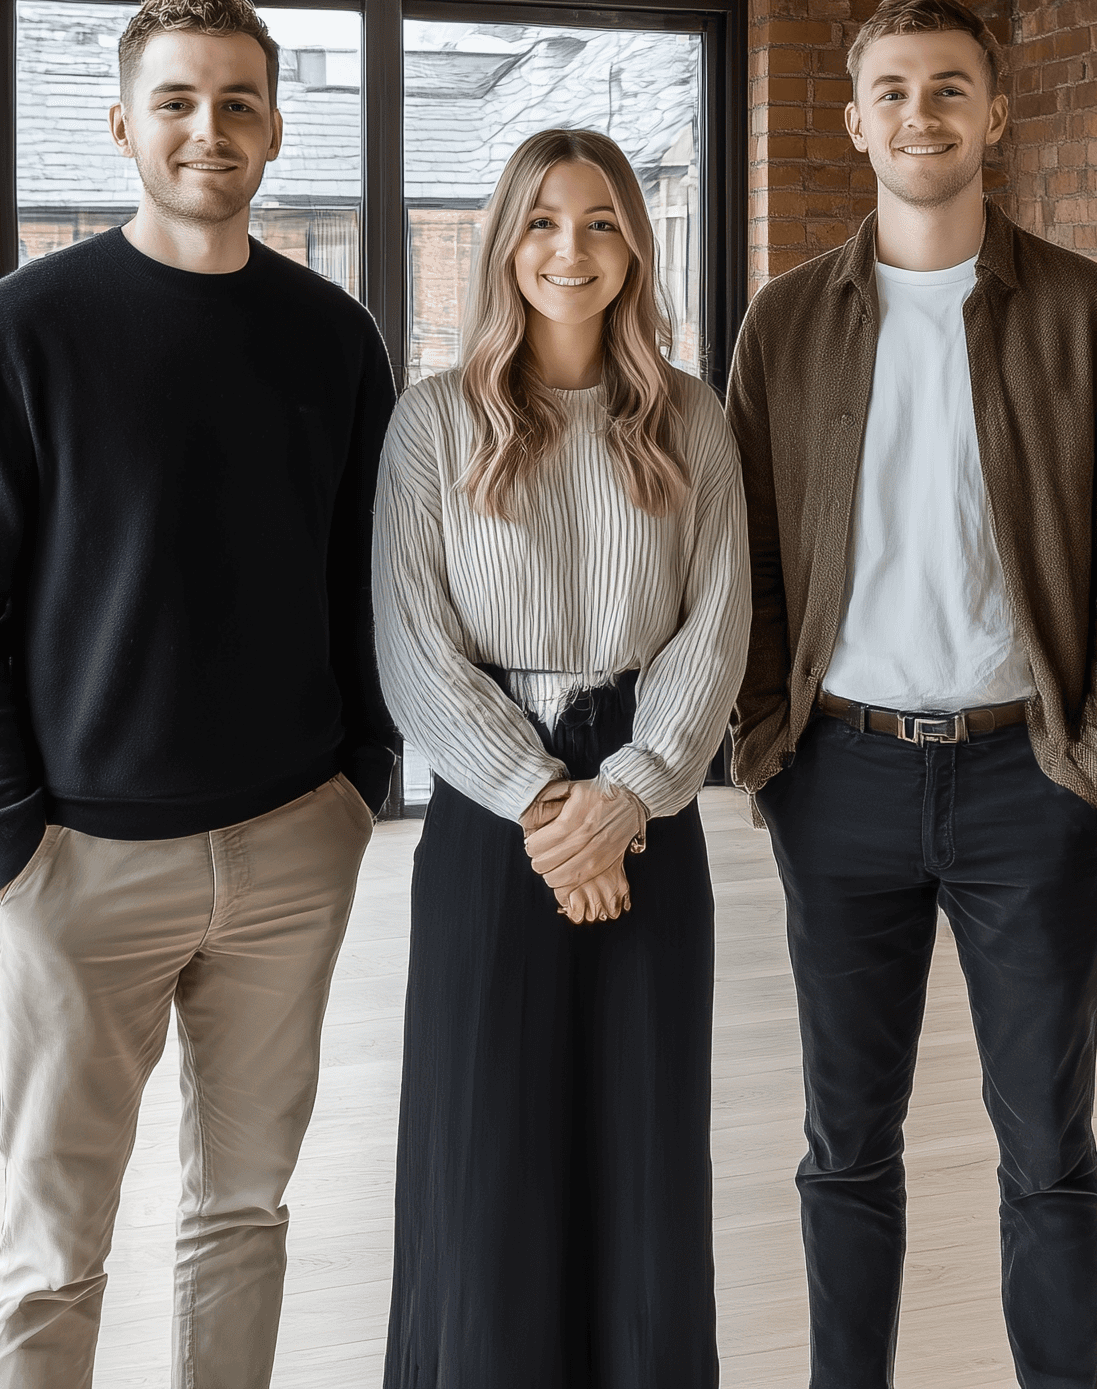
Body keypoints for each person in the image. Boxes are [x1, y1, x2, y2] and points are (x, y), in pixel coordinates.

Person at [0, 0, 398, 1389]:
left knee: (243, 1215)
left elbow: (368, 582)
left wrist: (359, 786)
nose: (207, 129)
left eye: (237, 102)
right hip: (81, 864)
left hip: (294, 844)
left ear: (275, 132)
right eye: (176, 102)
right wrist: (13, 838)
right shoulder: (21, 330)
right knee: (54, 1251)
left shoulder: (333, 338)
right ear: (121, 124)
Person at [727, 0, 1097, 1389]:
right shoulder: (785, 322)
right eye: (895, 91)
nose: (923, 113)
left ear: (996, 113)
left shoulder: (1088, 311)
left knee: (1049, 1146)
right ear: (856, 121)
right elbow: (755, 554)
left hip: (1021, 782)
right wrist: (768, 743)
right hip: (839, 777)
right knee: (845, 1142)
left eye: (951, 88)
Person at [374, 127, 748, 1389]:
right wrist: (549, 803)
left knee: (642, 1152)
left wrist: (627, 797)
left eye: (597, 222)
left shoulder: (690, 416)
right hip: (496, 811)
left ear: (633, 245)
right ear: (503, 245)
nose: (569, 249)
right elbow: (414, 649)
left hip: (648, 803)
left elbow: (719, 626)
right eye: (541, 221)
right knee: (487, 1153)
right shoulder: (433, 422)